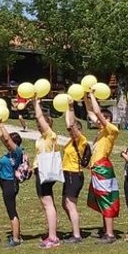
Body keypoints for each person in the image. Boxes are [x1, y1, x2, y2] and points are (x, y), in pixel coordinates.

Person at [34, 98, 87, 243]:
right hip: (67, 174)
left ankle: (73, 235)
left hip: (74, 174)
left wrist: (70, 107)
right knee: (66, 204)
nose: (70, 130)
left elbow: (70, 124)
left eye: (74, 128)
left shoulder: (80, 139)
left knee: (69, 204)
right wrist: (67, 109)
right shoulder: (70, 141)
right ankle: (73, 232)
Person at [83, 90, 122, 243]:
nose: (100, 120)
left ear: (109, 120)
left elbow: (97, 113)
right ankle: (106, 230)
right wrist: (85, 98)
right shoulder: (101, 131)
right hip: (97, 169)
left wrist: (92, 94)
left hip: (103, 168)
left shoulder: (112, 130)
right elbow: (91, 113)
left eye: (104, 119)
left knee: (106, 200)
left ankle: (110, 234)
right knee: (100, 200)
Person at [0, 121, 26, 247]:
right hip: (6, 183)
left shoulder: (17, 152)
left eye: (9, 142)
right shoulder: (11, 152)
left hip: (10, 184)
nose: (6, 143)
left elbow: (6, 138)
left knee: (12, 211)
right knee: (10, 210)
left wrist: (1, 124)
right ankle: (16, 234)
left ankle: (16, 239)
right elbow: (3, 137)